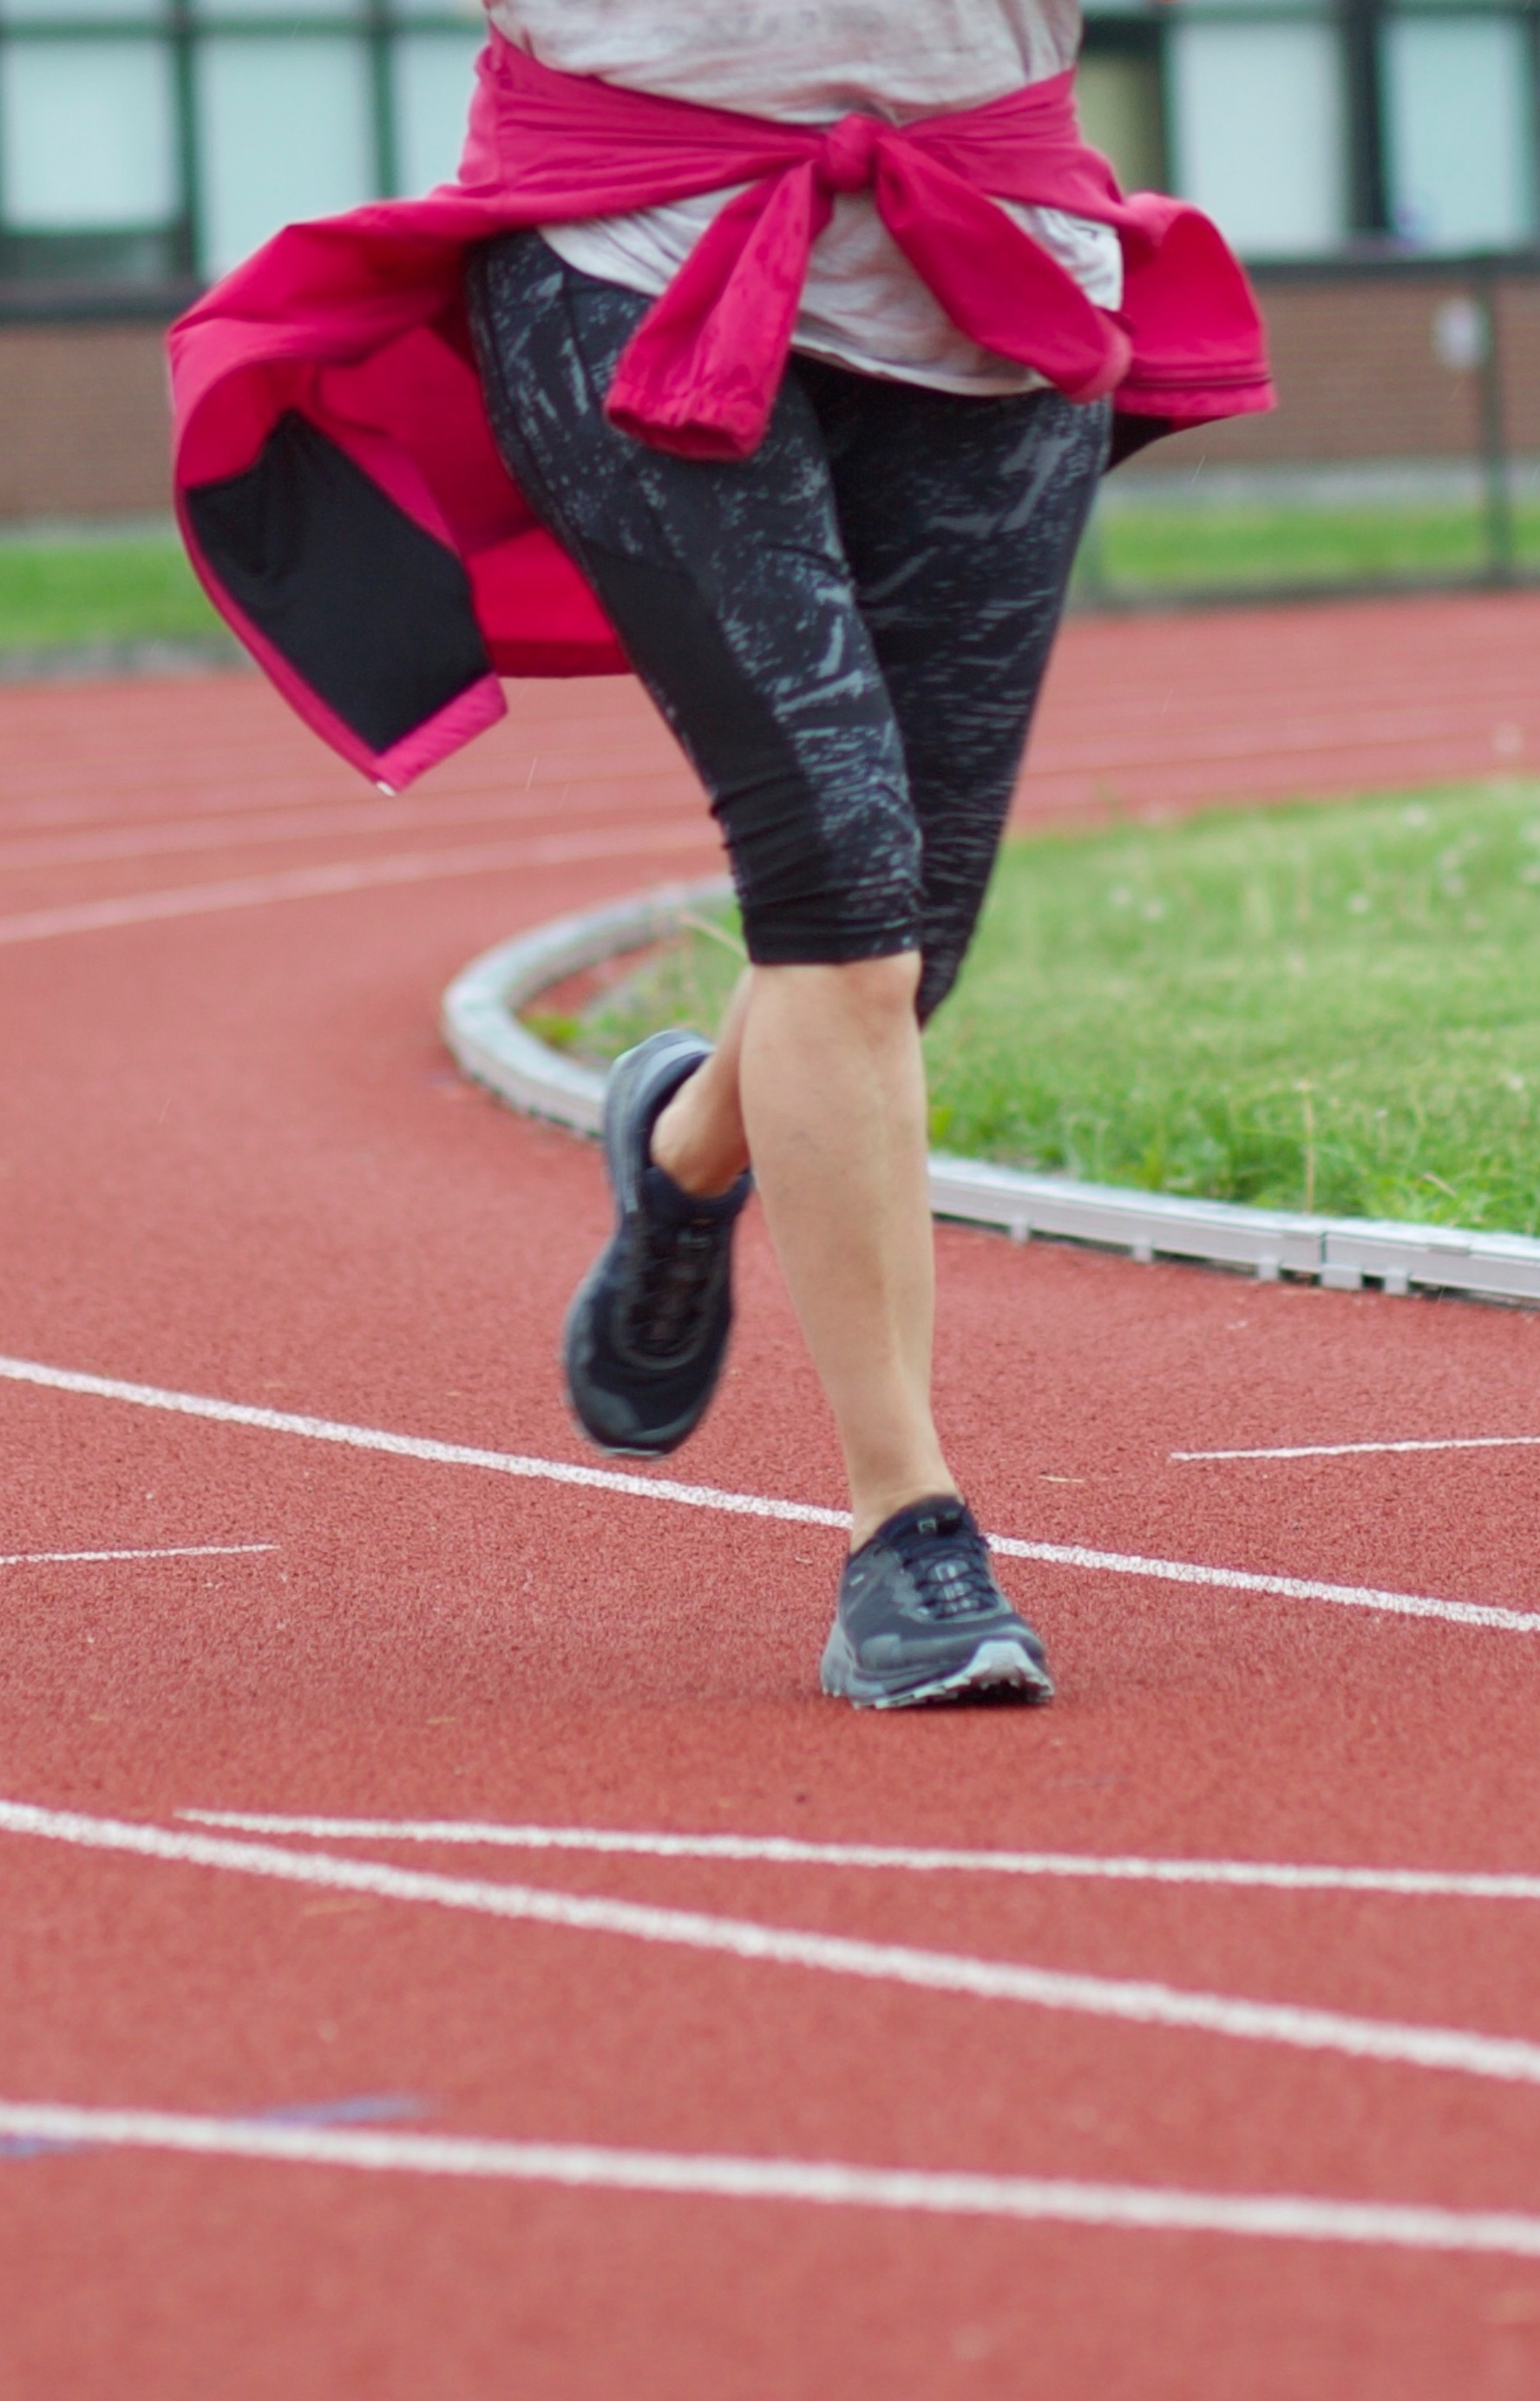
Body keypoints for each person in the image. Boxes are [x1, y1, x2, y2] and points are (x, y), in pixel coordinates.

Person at [163, 3, 1272, 1705]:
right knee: (840, 895)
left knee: (911, 931)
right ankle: (908, 1531)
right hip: (630, 252)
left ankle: (683, 1157)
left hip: (983, 257)